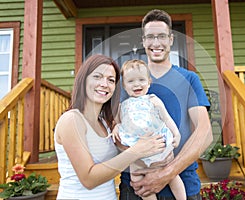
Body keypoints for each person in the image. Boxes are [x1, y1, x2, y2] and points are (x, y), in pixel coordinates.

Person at [119, 9, 213, 200]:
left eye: (161, 36)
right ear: (143, 41)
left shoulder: (189, 79)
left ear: (171, 39)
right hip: (138, 187)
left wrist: (166, 172)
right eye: (150, 37)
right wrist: (142, 160)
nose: (155, 43)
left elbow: (205, 133)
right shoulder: (128, 82)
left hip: (183, 183)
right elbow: (117, 133)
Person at [54, 54, 166, 200]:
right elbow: (89, 179)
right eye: (97, 77)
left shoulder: (107, 124)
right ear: (84, 80)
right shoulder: (72, 120)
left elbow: (130, 152)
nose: (104, 84)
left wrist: (158, 155)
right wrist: (136, 151)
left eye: (111, 80)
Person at [112, 59, 186, 200]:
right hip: (137, 152)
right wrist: (116, 127)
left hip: (159, 148)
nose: (137, 84)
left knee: (171, 175)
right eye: (131, 81)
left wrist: (176, 134)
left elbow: (167, 118)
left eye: (141, 79)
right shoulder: (123, 106)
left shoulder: (153, 100)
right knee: (136, 179)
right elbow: (118, 123)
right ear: (124, 85)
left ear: (149, 82)